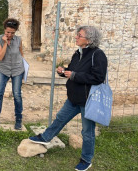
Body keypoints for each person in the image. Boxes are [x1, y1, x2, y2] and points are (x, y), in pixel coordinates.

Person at [29, 26, 107, 171]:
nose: (76, 37)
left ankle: (86, 159)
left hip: (88, 101)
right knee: (60, 118)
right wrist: (63, 71)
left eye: (79, 35)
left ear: (89, 40)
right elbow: (72, 71)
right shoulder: (77, 54)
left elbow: (98, 78)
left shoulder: (98, 55)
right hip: (73, 98)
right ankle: (45, 138)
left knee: (87, 132)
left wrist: (74, 75)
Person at [0, 18, 25, 130]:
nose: (9, 35)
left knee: (17, 95)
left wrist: (24, 66)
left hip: (17, 69)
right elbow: (0, 56)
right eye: (8, 32)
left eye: (12, 33)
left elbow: (21, 53)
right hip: (3, 69)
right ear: (4, 30)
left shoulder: (18, 40)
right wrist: (4, 43)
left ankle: (18, 119)